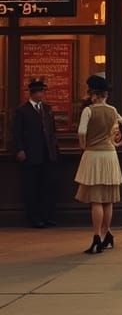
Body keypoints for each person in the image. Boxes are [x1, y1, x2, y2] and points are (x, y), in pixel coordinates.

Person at [75, 75, 122, 254]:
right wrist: (120, 143)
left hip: (93, 155)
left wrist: (83, 145)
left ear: (93, 94)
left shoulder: (89, 110)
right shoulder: (112, 111)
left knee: (96, 200)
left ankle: (96, 237)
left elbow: (81, 131)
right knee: (108, 199)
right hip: (110, 155)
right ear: (105, 94)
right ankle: (107, 233)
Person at [13, 79, 61, 228]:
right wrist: (20, 149)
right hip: (31, 154)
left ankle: (47, 216)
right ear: (33, 93)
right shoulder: (22, 110)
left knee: (47, 187)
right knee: (32, 188)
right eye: (40, 92)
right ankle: (35, 218)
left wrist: (55, 149)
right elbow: (17, 132)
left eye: (43, 91)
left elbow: (52, 131)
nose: (42, 94)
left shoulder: (47, 109)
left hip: (47, 154)